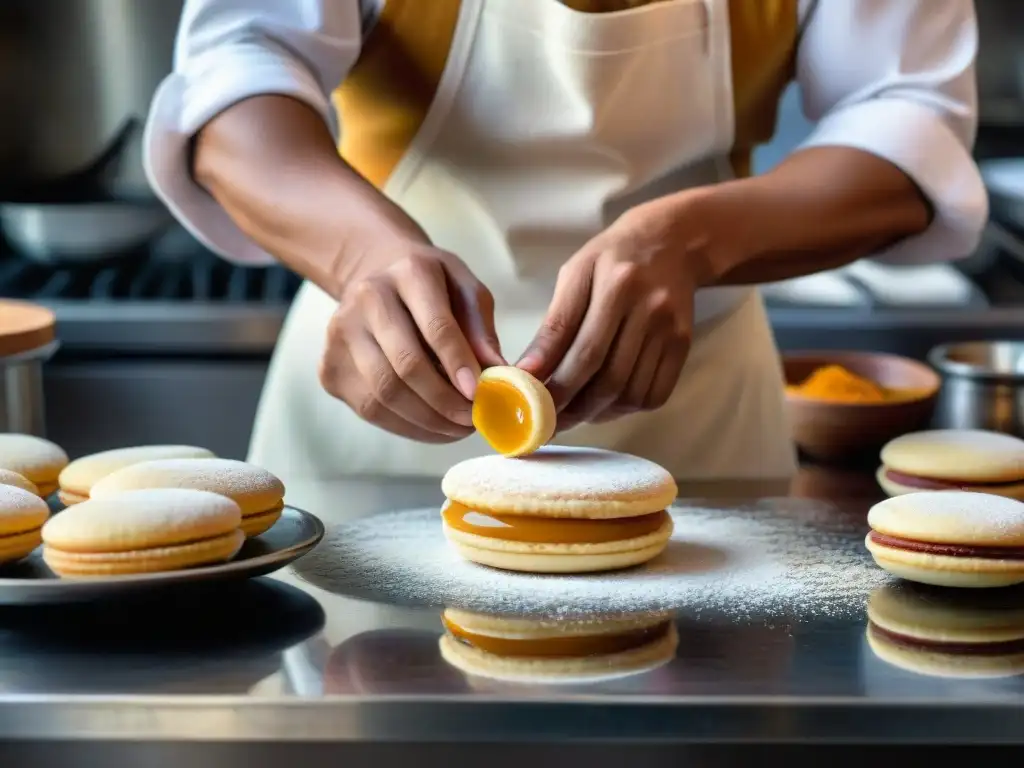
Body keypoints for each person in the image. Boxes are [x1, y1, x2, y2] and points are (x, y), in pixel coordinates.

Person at [144, 0, 986, 497]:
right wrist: (360, 259)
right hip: (373, 442)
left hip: (695, 445)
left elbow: (910, 117)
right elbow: (235, 75)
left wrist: (691, 240)